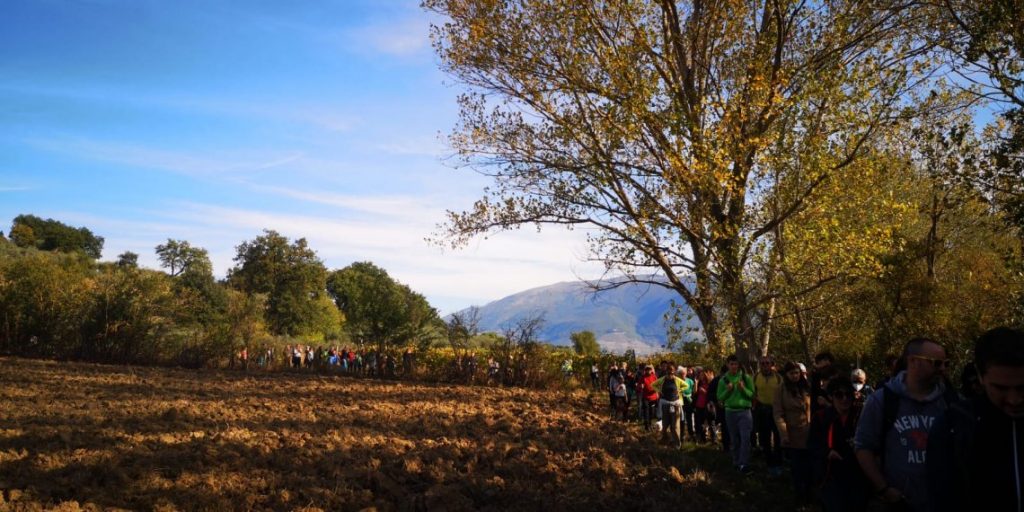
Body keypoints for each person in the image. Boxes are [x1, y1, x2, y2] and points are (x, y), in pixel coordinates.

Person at [854, 337, 958, 512]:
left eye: (946, 364)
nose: (942, 369)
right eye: (936, 363)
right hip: (899, 503)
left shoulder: (951, 402)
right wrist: (885, 489)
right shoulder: (882, 401)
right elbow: (863, 447)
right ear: (913, 361)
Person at [927, 326, 1024, 512]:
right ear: (980, 376)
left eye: (1022, 387)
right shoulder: (954, 425)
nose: (1014, 400)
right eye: (1001, 388)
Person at [809, 376, 870, 512]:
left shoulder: (861, 415)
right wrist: (827, 452)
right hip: (831, 475)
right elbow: (813, 444)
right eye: (839, 395)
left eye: (848, 394)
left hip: (858, 474)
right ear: (831, 397)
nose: (844, 399)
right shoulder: (821, 417)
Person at [774, 361, 813, 502]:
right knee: (797, 466)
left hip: (809, 431)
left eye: (797, 373)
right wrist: (784, 434)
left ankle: (809, 492)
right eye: (792, 373)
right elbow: (778, 414)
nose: (795, 376)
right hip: (793, 433)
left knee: (809, 465)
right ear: (786, 374)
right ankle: (799, 494)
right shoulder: (781, 389)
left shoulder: (807, 387)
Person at [718, 354, 755, 473]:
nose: (734, 366)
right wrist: (727, 391)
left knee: (745, 438)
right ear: (727, 365)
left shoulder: (746, 378)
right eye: (731, 364)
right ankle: (736, 462)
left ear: (739, 365)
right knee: (734, 440)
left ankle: (744, 464)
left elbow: (752, 395)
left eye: (736, 364)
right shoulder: (723, 380)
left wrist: (743, 389)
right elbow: (720, 397)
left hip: (744, 412)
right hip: (730, 412)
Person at [753, 356, 784, 473]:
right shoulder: (756, 377)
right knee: (765, 437)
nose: (765, 365)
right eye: (762, 363)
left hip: (776, 409)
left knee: (778, 437)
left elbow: (783, 392)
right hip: (762, 409)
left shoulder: (778, 377)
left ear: (771, 364)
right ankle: (769, 463)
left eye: (767, 363)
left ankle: (778, 462)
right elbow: (753, 391)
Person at [653, 366, 688, 448]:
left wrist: (679, 390)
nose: (670, 374)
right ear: (666, 372)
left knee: (675, 426)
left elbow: (686, 385)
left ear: (674, 372)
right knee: (665, 425)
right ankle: (665, 440)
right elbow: (653, 385)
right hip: (665, 404)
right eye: (668, 373)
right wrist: (659, 391)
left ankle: (677, 444)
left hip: (675, 405)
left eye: (672, 373)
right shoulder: (662, 379)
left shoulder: (677, 380)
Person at [694, 368, 715, 444]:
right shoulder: (699, 383)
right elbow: (695, 393)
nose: (701, 377)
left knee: (710, 423)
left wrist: (704, 391)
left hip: (707, 406)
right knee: (700, 423)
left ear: (705, 376)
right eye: (700, 375)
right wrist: (696, 383)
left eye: (702, 375)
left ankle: (713, 439)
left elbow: (711, 395)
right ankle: (702, 438)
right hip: (699, 405)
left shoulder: (710, 384)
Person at [638, 364, 660, 431]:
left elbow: (658, 385)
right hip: (646, 397)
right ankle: (647, 426)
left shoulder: (654, 376)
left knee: (652, 412)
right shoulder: (643, 377)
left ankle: (650, 424)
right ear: (645, 370)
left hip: (653, 397)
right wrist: (640, 386)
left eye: (649, 369)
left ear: (651, 370)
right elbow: (638, 386)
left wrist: (657, 392)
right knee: (646, 411)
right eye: (647, 369)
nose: (648, 371)